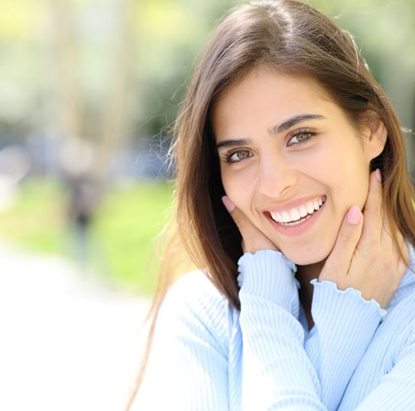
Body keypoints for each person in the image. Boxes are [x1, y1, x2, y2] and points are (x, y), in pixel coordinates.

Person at [129, 0, 415, 409]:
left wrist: (274, 311)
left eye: (300, 136)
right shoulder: (204, 313)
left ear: (371, 130)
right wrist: (336, 322)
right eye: (239, 155)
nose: (275, 185)